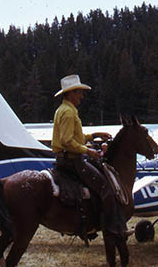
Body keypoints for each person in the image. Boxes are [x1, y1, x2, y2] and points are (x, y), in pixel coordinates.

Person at [51, 74, 125, 234]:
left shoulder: (64, 110)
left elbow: (76, 138)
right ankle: (112, 227)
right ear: (71, 94)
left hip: (66, 159)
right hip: (73, 161)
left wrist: (94, 135)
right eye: (79, 93)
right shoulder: (69, 113)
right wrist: (88, 151)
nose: (82, 97)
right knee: (106, 188)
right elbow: (67, 141)